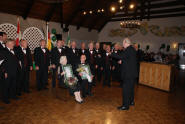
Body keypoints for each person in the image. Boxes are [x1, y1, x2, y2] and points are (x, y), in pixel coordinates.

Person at [111, 38, 138, 110]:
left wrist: (112, 53)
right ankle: (131, 101)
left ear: (126, 43)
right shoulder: (132, 49)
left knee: (126, 90)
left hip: (128, 74)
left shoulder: (128, 49)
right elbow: (129, 60)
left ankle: (125, 106)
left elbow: (121, 56)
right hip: (132, 73)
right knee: (131, 89)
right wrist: (122, 61)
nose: (122, 44)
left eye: (123, 43)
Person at [1, 39, 21, 104]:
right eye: (12, 43)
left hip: (14, 71)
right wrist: (4, 72)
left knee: (13, 84)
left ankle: (13, 96)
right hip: (7, 72)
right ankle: (5, 98)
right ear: (8, 44)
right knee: (6, 85)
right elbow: (1, 63)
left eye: (13, 43)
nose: (14, 44)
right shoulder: (3, 51)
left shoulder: (14, 50)